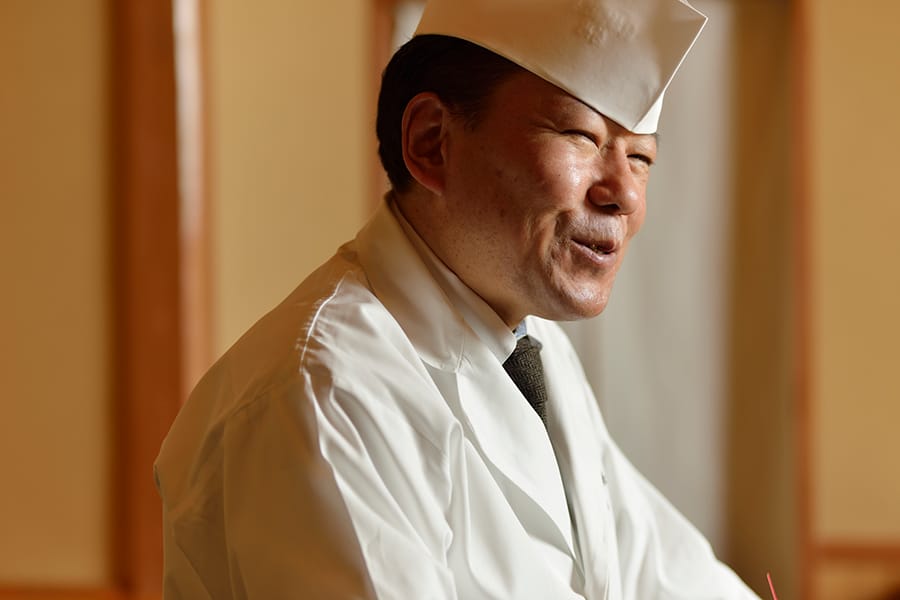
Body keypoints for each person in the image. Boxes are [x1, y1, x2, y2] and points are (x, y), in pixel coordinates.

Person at [155, 0, 761, 598]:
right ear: (431, 142)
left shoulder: (534, 349)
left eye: (641, 157)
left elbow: (662, 571)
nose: (624, 195)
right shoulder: (327, 389)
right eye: (580, 136)